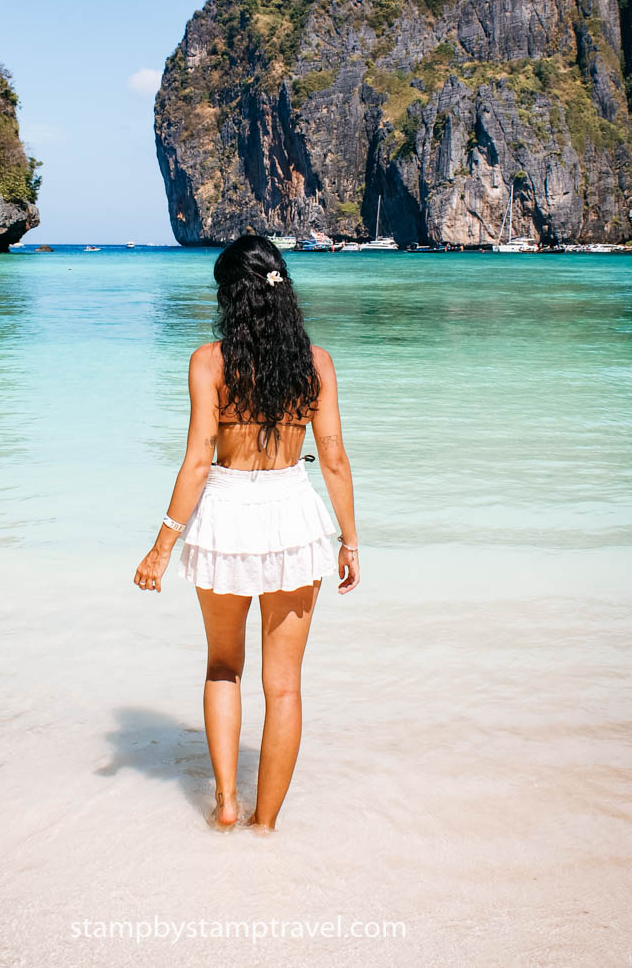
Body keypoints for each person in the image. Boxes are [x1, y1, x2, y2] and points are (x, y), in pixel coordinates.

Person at [133, 235, 360, 831]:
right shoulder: (315, 362)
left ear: (229, 296)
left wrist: (162, 548)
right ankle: (266, 827)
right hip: (294, 518)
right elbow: (333, 457)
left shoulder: (209, 362)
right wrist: (350, 540)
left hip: (225, 517)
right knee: (283, 687)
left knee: (222, 667)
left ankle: (228, 805)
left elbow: (197, 460)